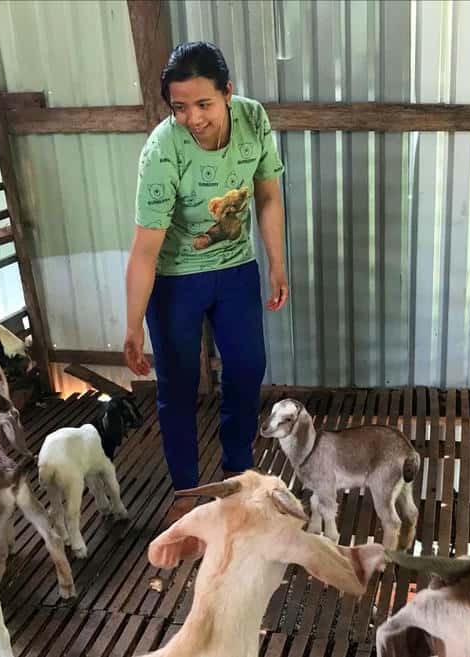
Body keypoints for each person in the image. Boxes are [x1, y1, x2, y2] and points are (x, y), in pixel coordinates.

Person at [123, 41, 288, 525]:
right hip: (176, 278)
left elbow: (269, 197)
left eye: (203, 104)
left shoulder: (253, 121)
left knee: (246, 366)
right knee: (176, 383)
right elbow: (145, 249)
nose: (192, 118)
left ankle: (237, 473)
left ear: (228, 94)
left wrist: (277, 264)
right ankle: (186, 487)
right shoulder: (161, 150)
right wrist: (133, 324)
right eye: (179, 107)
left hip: (236, 268)